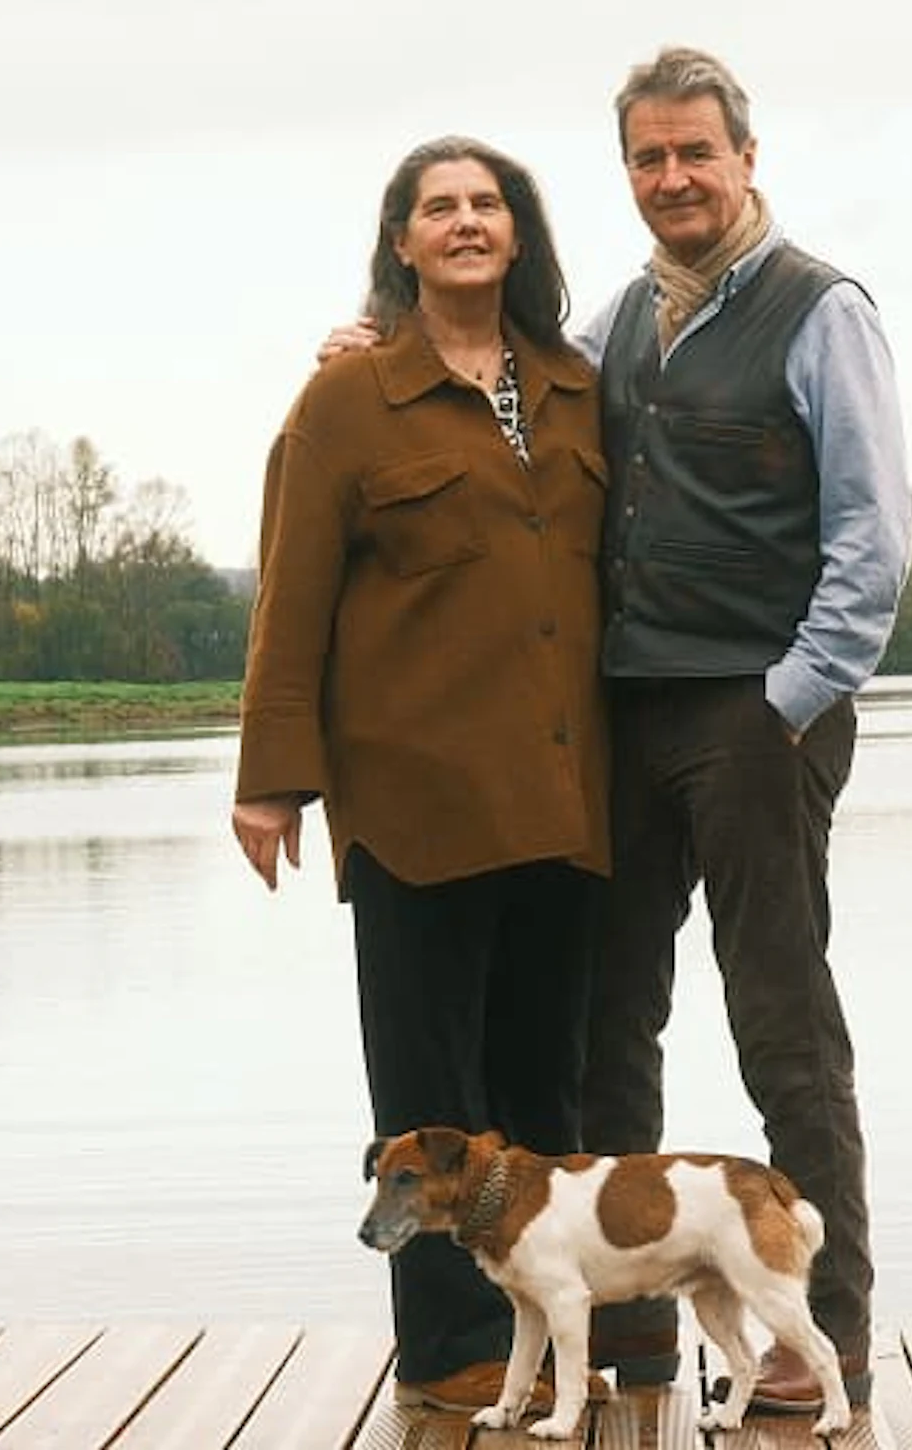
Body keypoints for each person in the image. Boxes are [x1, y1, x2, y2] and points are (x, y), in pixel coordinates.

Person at [318, 48, 912, 1415]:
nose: (673, 178)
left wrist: (788, 699)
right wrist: (373, 335)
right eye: (648, 158)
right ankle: (637, 1328)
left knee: (785, 1026)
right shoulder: (619, 322)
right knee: (606, 1027)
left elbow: (876, 540)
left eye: (697, 152)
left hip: (762, 711)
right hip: (624, 716)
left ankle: (829, 1329)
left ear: (746, 157)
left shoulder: (823, 311)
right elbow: (495, 370)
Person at [233, 136, 612, 1415]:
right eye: (437, 207)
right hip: (412, 808)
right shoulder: (344, 401)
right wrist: (270, 780)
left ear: (520, 236)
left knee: (544, 1095)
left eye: (486, 204)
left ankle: (551, 1342)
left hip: (562, 806)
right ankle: (446, 1342)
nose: (464, 222)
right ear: (400, 242)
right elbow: (290, 598)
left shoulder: (574, 386)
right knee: (431, 1095)